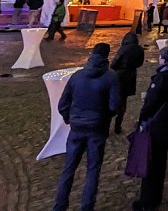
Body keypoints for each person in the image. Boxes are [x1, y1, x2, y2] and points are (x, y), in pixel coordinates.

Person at [53, 43, 120, 211]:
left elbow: (62, 104)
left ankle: (60, 206)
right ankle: (86, 206)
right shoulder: (111, 77)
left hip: (77, 128)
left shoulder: (77, 76)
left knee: (68, 168)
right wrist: (104, 118)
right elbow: (114, 106)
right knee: (93, 169)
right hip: (97, 128)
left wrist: (70, 119)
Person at [133, 46, 168, 211]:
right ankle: (155, 196)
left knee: (150, 163)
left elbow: (150, 103)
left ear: (164, 59)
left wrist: (141, 120)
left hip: (156, 125)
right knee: (160, 161)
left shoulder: (162, 78)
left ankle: (147, 202)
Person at [111, 31, 145, 135]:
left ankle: (109, 119)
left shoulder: (123, 49)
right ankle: (118, 125)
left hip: (119, 76)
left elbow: (114, 63)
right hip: (130, 76)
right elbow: (140, 63)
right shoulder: (139, 50)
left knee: (113, 98)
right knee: (123, 101)